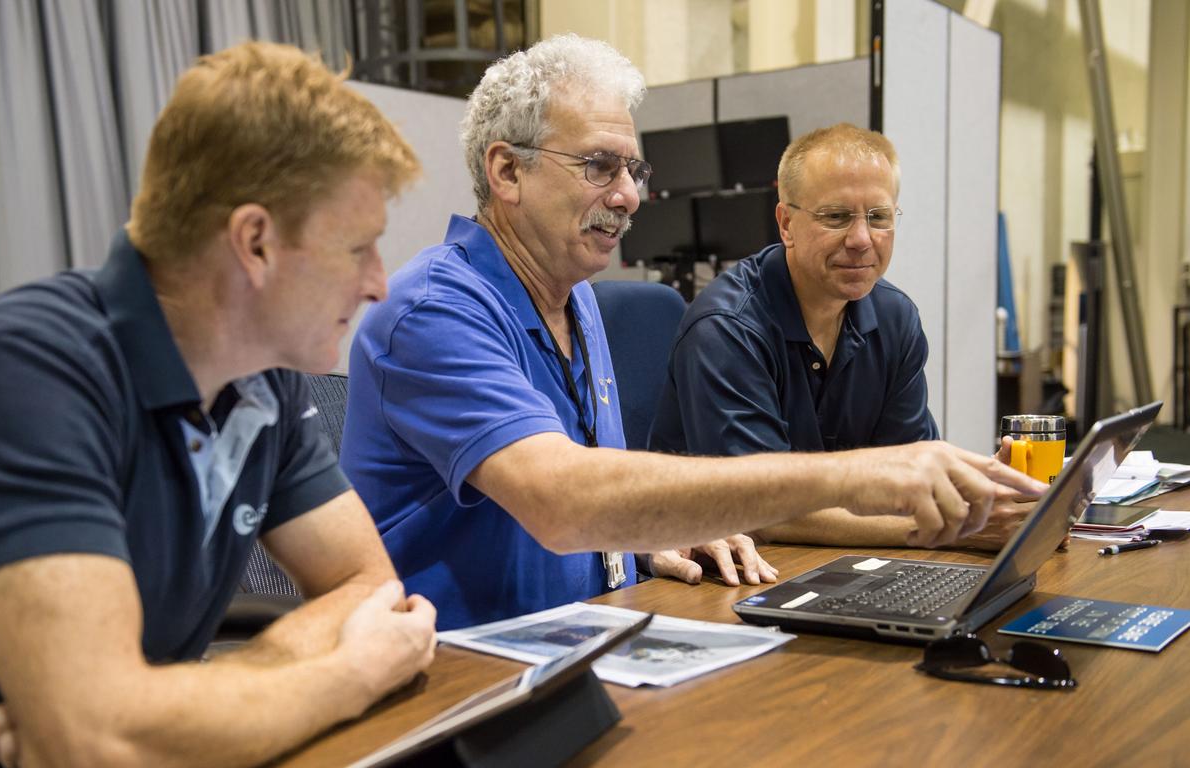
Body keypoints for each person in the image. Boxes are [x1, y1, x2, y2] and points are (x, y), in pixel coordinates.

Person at [341, 35, 1042, 632]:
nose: (628, 195)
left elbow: (580, 519)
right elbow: (562, 503)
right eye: (598, 167)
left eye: (632, 169)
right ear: (505, 171)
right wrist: (862, 472)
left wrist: (650, 540)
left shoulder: (575, 298)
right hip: (463, 668)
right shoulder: (433, 311)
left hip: (582, 640)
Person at [0, 42, 437, 768]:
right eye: (355, 245)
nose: (377, 281)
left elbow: (369, 589)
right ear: (253, 242)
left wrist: (165, 705)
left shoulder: (264, 377)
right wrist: (347, 675)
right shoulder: (21, 370)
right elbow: (95, 759)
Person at [649, 124, 1030, 551]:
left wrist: (985, 499)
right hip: (726, 582)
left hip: (844, 565)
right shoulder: (726, 329)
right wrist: (959, 530)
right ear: (787, 223)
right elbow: (762, 511)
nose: (862, 239)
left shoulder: (894, 317)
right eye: (836, 217)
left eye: (879, 217)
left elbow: (910, 479)